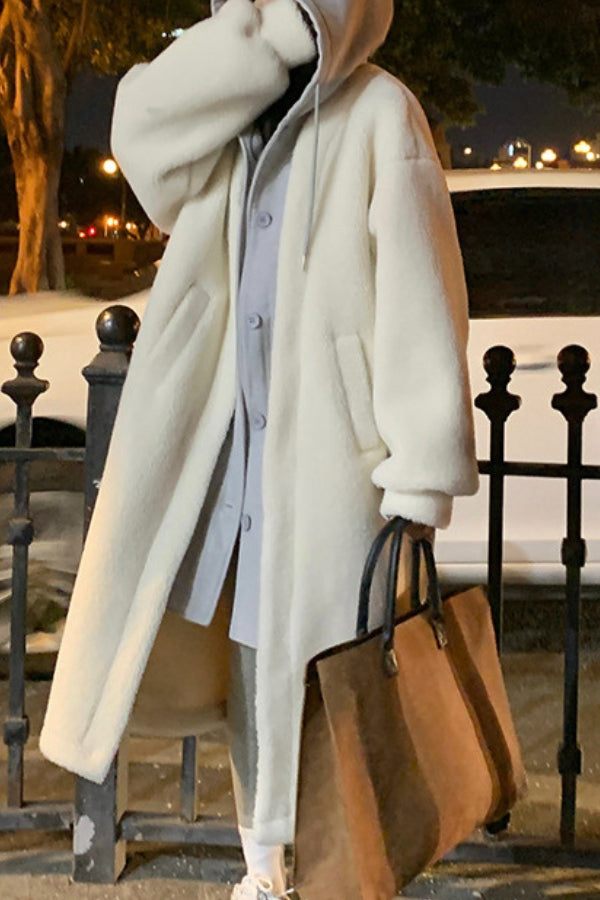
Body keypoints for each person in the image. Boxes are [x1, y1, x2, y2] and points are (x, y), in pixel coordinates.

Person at [39, 1, 480, 898]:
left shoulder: (380, 110)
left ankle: (317, 868)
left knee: (320, 676)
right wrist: (267, 42)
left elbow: (419, 287)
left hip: (328, 459)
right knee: (248, 661)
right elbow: (145, 130)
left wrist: (419, 473)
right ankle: (264, 867)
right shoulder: (228, 105)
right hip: (222, 444)